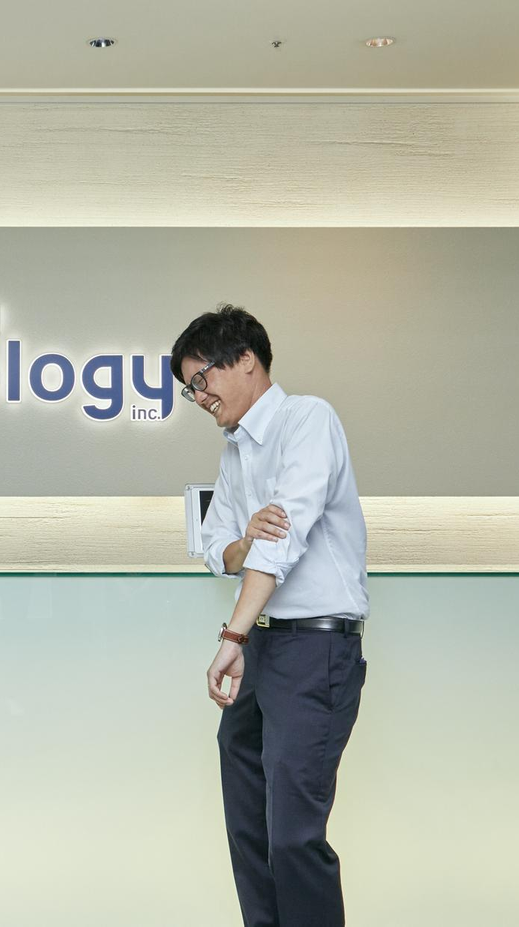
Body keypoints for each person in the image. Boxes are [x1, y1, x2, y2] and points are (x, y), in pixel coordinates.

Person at [172, 304, 369, 927]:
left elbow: (279, 543)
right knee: (249, 831)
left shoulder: (307, 419)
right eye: (189, 388)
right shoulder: (235, 452)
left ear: (246, 361)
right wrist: (242, 542)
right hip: (264, 648)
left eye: (201, 378)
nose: (198, 396)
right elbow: (219, 549)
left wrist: (231, 633)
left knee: (293, 837)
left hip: (315, 651)